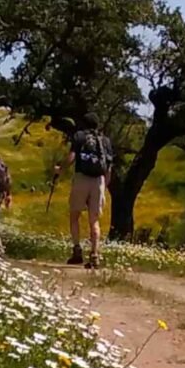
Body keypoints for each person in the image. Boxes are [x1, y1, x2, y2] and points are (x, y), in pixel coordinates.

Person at [66, 113, 113, 268]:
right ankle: (94, 255)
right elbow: (109, 166)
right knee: (94, 220)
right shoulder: (105, 141)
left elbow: (72, 156)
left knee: (74, 215)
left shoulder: (79, 136)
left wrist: (60, 169)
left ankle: (77, 250)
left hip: (82, 177)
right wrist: (104, 185)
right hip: (99, 180)